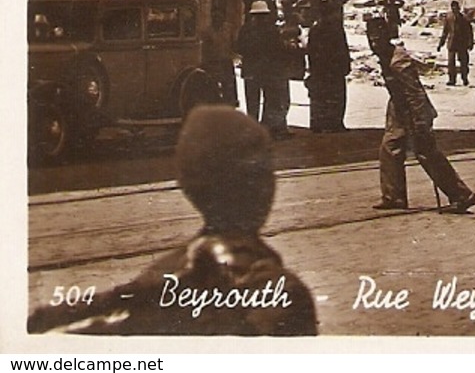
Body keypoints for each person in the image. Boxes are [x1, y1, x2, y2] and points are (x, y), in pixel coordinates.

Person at [28, 106, 318, 335]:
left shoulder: (161, 274)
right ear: (264, 185)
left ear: (187, 182)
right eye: (264, 171)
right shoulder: (280, 292)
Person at [367, 15, 475, 213]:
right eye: (370, 38)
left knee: (426, 153)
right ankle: (394, 196)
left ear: (386, 36)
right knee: (389, 148)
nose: (373, 43)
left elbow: (415, 93)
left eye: (376, 38)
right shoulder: (384, 55)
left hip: (414, 109)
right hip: (399, 108)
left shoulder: (398, 60)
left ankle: (462, 195)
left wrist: (419, 122)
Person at [236, 1, 290, 137]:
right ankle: (266, 128)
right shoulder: (271, 30)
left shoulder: (245, 29)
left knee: (252, 101)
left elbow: (238, 48)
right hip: (267, 70)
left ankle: (253, 128)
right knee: (268, 99)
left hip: (251, 70)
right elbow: (279, 50)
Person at [304, 0, 351, 133]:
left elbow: (311, 51)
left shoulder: (315, 29)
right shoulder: (336, 29)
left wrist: (312, 68)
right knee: (336, 96)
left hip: (320, 69)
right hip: (334, 69)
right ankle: (335, 123)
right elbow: (343, 49)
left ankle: (318, 123)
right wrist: (345, 66)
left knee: (319, 96)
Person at [438, 1, 473, 86]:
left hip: (462, 43)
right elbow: (445, 32)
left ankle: (464, 78)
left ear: (459, 8)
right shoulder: (448, 17)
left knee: (464, 62)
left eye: (456, 7)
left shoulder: (464, 18)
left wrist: (470, 43)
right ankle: (452, 79)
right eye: (453, 7)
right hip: (452, 42)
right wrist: (440, 44)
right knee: (451, 63)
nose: (454, 9)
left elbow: (469, 32)